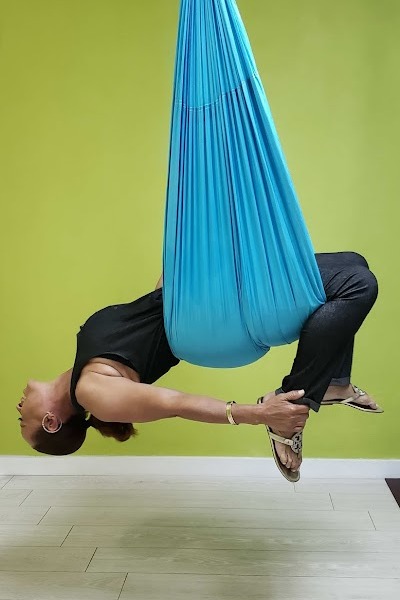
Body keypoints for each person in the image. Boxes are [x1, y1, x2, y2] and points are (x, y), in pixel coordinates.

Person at [17, 251, 381, 482]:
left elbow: (152, 314)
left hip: (190, 296)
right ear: (51, 421)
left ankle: (334, 381)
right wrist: (259, 413)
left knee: (354, 264)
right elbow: (176, 403)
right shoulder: (93, 392)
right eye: (24, 419)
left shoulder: (84, 367)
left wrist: (182, 237)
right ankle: (295, 398)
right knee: (357, 285)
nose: (19, 409)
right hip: (211, 317)